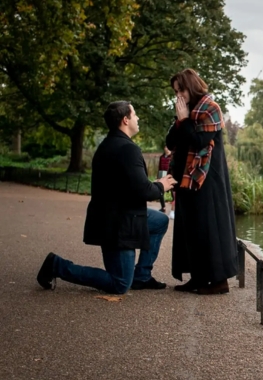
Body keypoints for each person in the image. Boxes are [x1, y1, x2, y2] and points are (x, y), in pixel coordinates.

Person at [36, 101, 177, 294]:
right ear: (125, 120)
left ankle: (142, 275)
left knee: (160, 220)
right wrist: (162, 185)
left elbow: (126, 185)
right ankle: (57, 266)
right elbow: (144, 192)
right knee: (119, 284)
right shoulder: (128, 149)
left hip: (113, 216)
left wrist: (152, 184)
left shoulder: (109, 145)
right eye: (134, 114)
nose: (138, 118)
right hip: (118, 225)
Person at [165, 68, 238, 295]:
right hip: (187, 179)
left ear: (191, 87)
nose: (178, 96)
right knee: (191, 229)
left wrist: (185, 120)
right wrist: (181, 121)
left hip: (208, 181)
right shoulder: (187, 112)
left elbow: (197, 142)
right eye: (176, 92)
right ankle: (197, 278)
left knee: (209, 229)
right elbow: (170, 141)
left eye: (181, 91)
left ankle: (218, 282)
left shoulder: (209, 109)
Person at [157, 146, 176, 219]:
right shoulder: (162, 157)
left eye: (168, 148)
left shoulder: (172, 156)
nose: (166, 149)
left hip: (170, 175)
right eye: (165, 148)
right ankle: (163, 207)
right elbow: (159, 166)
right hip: (162, 174)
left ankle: (173, 209)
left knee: (173, 193)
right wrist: (158, 176)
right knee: (161, 191)